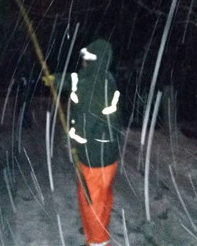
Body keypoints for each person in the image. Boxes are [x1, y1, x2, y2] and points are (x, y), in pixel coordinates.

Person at [44, 39, 121, 246]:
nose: (82, 62)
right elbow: (75, 80)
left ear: (91, 60)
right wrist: (57, 79)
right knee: (102, 197)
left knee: (91, 200)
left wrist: (71, 138)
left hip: (94, 153)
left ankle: (97, 241)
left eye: (85, 58)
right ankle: (98, 232)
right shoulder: (102, 78)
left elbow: (86, 124)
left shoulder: (93, 86)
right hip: (107, 152)